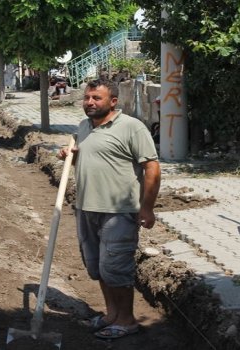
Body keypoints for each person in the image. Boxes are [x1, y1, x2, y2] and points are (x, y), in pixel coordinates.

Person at [58, 79, 161, 340]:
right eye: (87, 98)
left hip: (118, 212)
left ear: (113, 101)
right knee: (98, 268)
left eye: (97, 98)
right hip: (86, 208)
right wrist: (69, 153)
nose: (90, 102)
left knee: (116, 269)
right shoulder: (84, 127)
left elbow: (152, 168)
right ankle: (111, 314)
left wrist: (147, 208)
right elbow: (91, 155)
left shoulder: (131, 128)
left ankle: (127, 320)